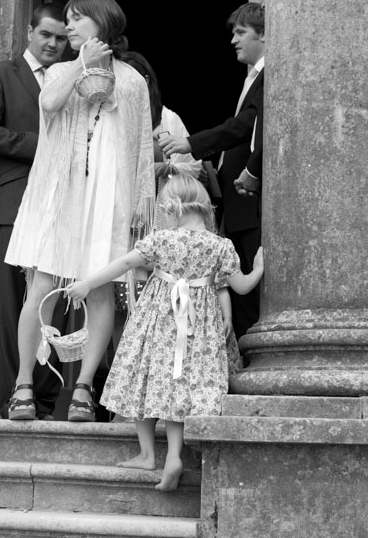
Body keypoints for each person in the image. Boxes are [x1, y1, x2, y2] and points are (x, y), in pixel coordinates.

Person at [4, 0, 154, 422]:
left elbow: (143, 146)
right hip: (60, 196)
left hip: (109, 199)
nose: (67, 28)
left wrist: (139, 211)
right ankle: (24, 385)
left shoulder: (131, 81)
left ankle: (85, 387)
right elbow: (49, 105)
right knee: (41, 287)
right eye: (66, 21)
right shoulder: (58, 71)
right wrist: (82, 67)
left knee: (101, 289)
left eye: (75, 20)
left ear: (100, 23)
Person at [66, 174, 263, 490]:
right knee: (179, 388)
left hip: (157, 324)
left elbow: (124, 264)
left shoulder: (161, 239)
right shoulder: (220, 245)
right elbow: (239, 286)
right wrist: (258, 270)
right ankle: (174, 456)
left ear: (173, 208)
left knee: (146, 382)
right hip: (197, 330)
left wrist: (87, 284)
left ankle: (147, 454)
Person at [0, 3, 69, 419]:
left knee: (55, 300)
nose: (53, 43)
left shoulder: (70, 78)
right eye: (46, 34)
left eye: (61, 38)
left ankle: (47, 400)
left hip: (62, 204)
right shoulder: (1, 73)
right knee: (13, 303)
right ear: (29, 32)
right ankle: (16, 396)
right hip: (13, 202)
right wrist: (40, 146)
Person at [157, 2, 265, 336]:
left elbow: (243, 127)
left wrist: (192, 144)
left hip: (249, 199)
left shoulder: (269, 76)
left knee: (248, 282)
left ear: (265, 35)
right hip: (234, 198)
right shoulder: (254, 77)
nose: (234, 39)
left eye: (241, 32)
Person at [121, 51, 201, 179]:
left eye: (124, 81)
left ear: (144, 80)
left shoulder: (167, 119)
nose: (119, 88)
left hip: (159, 195)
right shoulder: (107, 117)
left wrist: (168, 169)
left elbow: (193, 166)